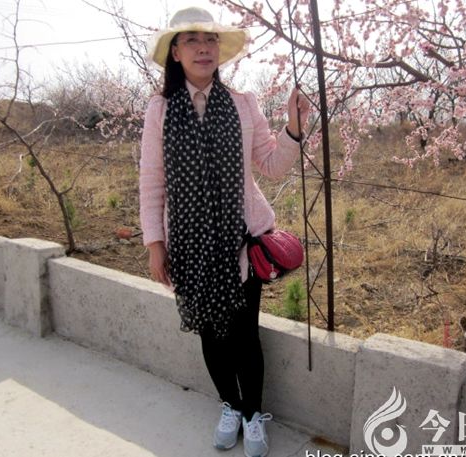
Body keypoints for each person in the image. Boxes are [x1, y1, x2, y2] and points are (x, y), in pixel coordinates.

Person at [139, 6, 309, 457]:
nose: (203, 48)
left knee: (244, 334)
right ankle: (229, 405)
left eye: (210, 40)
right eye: (192, 40)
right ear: (176, 52)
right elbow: (152, 181)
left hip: (240, 243)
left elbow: (271, 165)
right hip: (188, 244)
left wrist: (293, 128)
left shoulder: (243, 103)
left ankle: (252, 415)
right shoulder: (160, 110)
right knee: (211, 334)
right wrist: (155, 244)